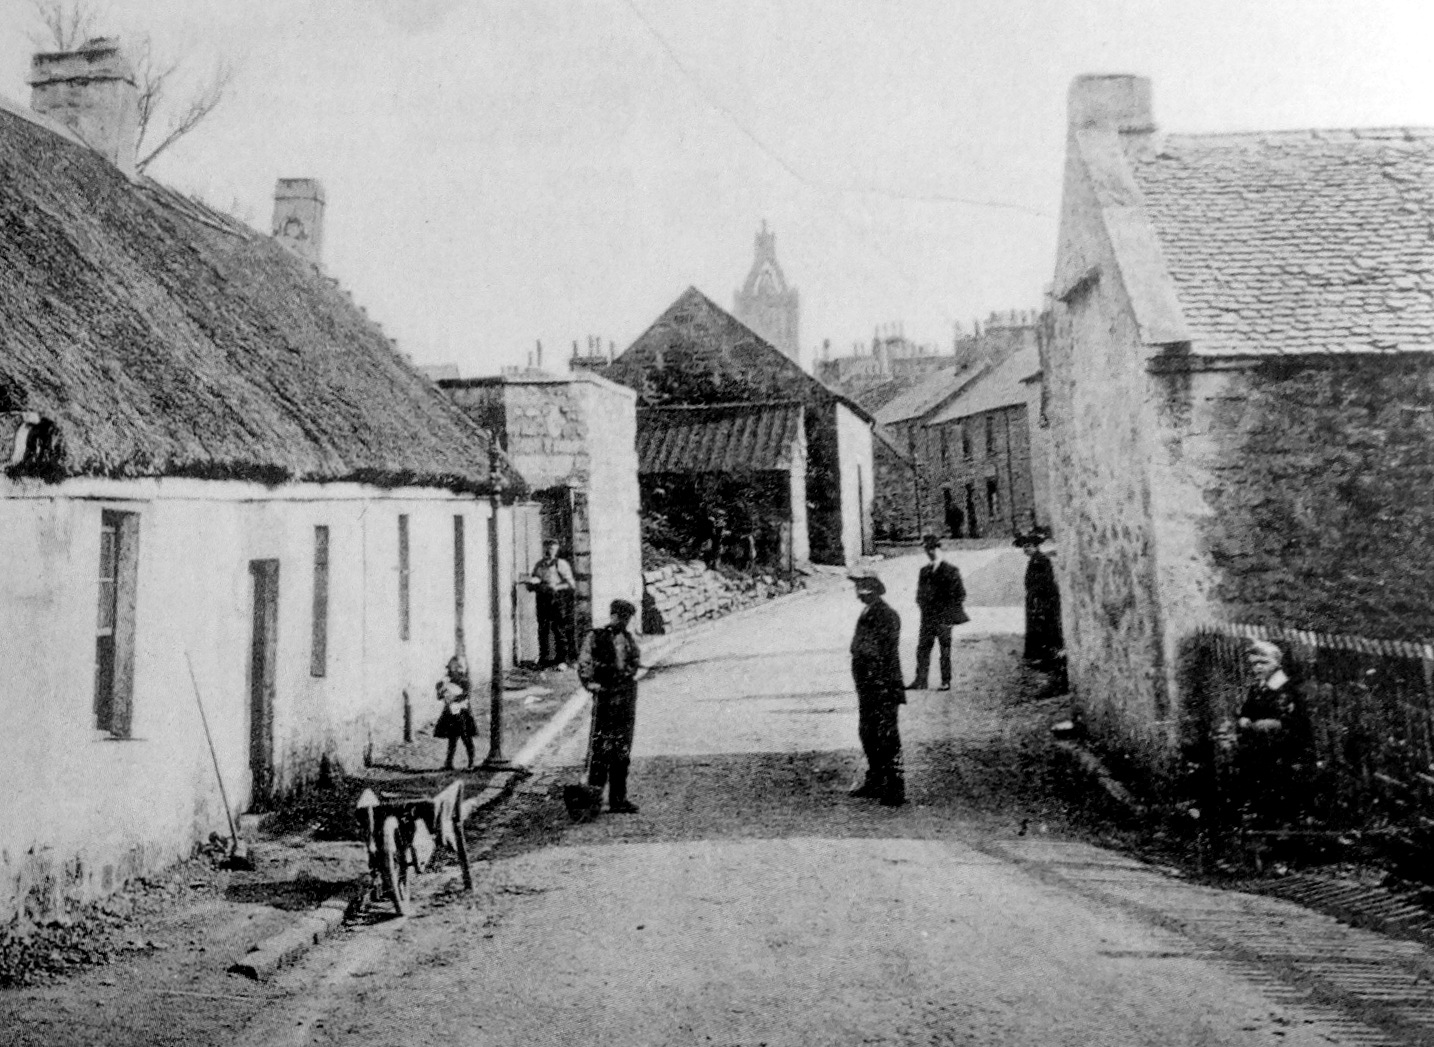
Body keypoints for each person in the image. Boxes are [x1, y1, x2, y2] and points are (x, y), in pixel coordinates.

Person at [1221, 639, 1313, 828]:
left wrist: (1266, 724)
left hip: (1287, 749)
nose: (1257, 668)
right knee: (1259, 784)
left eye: (1263, 663)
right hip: (1263, 747)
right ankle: (1265, 823)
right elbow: (1247, 711)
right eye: (1254, 664)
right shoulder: (1258, 689)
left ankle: (1283, 825)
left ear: (1277, 663)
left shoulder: (1286, 689)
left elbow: (1288, 721)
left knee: (1280, 788)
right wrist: (1244, 719)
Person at [577, 599, 643, 814]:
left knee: (622, 749)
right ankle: (594, 798)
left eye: (626, 618)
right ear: (612, 615)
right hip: (605, 696)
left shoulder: (629, 639)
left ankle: (618, 799)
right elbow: (585, 661)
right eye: (620, 616)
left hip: (625, 698)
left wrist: (628, 675)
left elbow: (634, 661)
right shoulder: (595, 636)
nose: (623, 621)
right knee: (601, 748)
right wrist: (590, 683)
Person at [848, 569, 907, 807]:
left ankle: (895, 787)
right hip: (869, 686)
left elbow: (879, 652)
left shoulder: (886, 615)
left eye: (863, 588)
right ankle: (875, 779)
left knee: (887, 736)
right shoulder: (869, 611)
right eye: (858, 588)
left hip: (882, 684)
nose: (859, 593)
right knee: (869, 733)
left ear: (874, 589)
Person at [908, 534, 968, 691]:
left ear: (939, 549)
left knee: (945, 650)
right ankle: (921, 680)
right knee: (923, 649)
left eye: (932, 548)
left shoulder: (951, 570)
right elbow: (919, 595)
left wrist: (950, 616)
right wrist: (923, 607)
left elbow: (960, 594)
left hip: (944, 618)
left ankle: (946, 680)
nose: (930, 552)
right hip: (928, 618)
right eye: (927, 549)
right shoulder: (924, 571)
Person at [1016, 528, 1063, 666]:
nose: (1026, 549)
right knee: (1037, 625)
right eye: (1024, 547)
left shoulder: (1041, 560)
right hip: (1035, 598)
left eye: (1029, 546)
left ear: (1036, 547)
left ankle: (1046, 656)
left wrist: (1038, 597)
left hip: (1043, 598)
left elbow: (1046, 581)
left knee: (1043, 625)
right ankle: (1039, 655)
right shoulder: (1034, 560)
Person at [529, 540, 576, 669]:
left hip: (557, 600)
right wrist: (534, 583)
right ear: (544, 549)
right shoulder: (539, 565)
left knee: (559, 629)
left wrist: (557, 586)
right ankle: (544, 659)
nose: (550, 552)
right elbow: (533, 579)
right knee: (543, 629)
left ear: (557, 550)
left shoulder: (562, 564)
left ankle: (562, 660)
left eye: (553, 549)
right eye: (548, 549)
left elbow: (571, 584)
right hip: (542, 599)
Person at [433, 655, 477, 770]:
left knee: (466, 737)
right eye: (453, 667)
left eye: (458, 668)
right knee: (452, 738)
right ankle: (448, 763)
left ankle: (471, 763)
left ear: (462, 669)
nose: (455, 670)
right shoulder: (446, 680)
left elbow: (466, 695)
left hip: (462, 712)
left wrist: (453, 698)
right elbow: (439, 696)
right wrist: (440, 689)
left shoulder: (465, 681)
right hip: (450, 713)